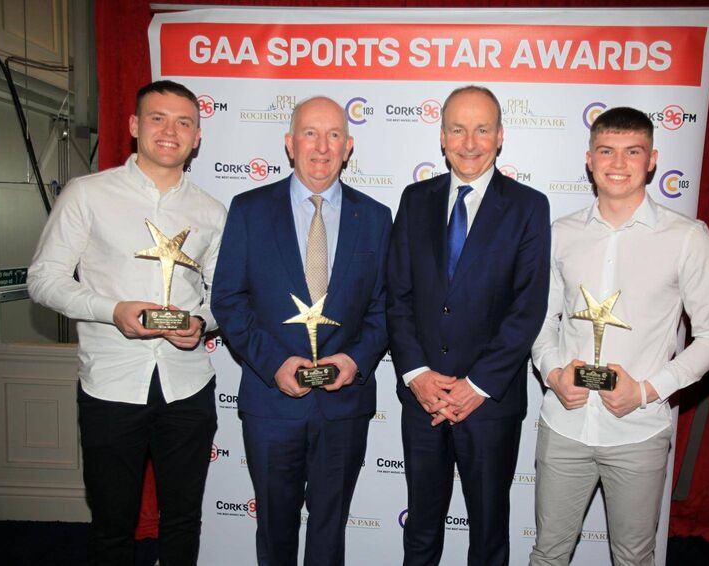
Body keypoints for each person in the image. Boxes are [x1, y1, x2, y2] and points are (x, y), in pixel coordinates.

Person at [28, 80, 226, 565]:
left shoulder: (212, 211)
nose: (170, 131)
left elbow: (224, 298)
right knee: (112, 524)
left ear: (197, 137)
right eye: (158, 118)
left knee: (183, 519)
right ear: (135, 126)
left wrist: (200, 322)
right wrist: (111, 310)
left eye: (184, 122)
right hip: (111, 386)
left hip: (188, 387)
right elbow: (43, 279)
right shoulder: (88, 194)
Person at [529, 107, 709, 565]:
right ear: (589, 159)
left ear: (652, 159)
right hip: (564, 425)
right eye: (607, 151)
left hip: (639, 432)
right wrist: (553, 372)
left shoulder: (688, 238)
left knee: (634, 558)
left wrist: (646, 391)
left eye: (632, 151)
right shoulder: (560, 234)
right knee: (548, 553)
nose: (618, 164)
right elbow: (539, 322)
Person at [211, 96, 391, 566]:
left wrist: (353, 360)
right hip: (272, 405)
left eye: (334, 135)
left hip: (343, 406)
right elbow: (228, 300)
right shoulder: (249, 210)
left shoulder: (375, 218)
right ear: (290, 144)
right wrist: (274, 363)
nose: (321, 147)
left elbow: (386, 307)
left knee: (330, 528)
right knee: (274, 527)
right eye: (310, 134)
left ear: (348, 147)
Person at [386, 85, 551, 566]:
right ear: (442, 136)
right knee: (420, 529)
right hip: (423, 398)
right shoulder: (415, 200)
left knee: (488, 534)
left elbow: (528, 307)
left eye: (482, 129)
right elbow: (397, 295)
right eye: (458, 129)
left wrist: (477, 385)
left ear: (500, 136)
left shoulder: (528, 207)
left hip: (489, 403)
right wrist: (416, 374)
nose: (470, 142)